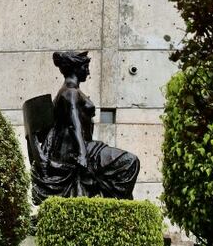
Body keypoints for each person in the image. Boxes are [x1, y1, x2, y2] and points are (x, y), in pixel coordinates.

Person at [29, 51, 140, 202]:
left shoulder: (71, 91)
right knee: (129, 162)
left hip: (86, 147)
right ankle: (119, 206)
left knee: (127, 163)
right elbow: (74, 125)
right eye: (85, 67)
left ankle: (115, 204)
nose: (88, 72)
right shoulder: (69, 92)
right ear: (76, 68)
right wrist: (82, 155)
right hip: (76, 151)